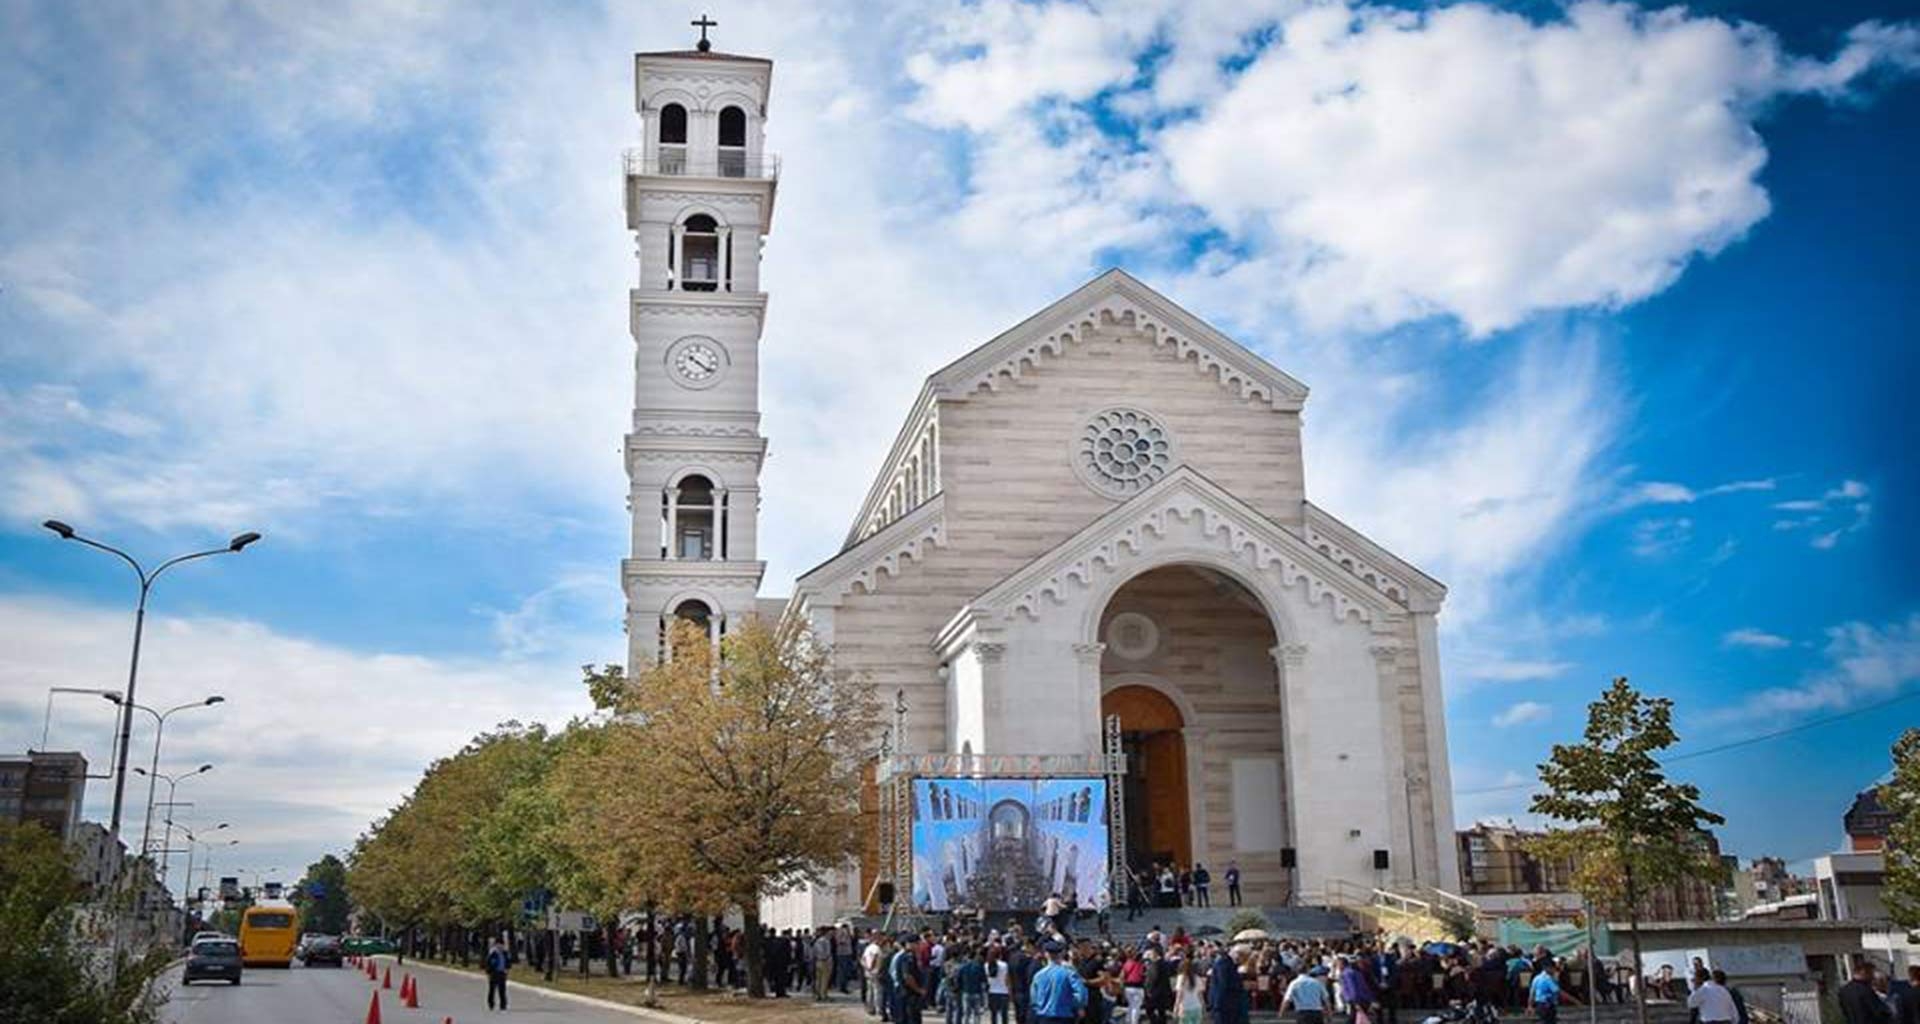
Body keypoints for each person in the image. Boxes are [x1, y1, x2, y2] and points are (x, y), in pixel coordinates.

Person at [1030, 942, 1089, 1024]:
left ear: (1046, 954)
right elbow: (1081, 994)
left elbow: (1034, 999)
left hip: (1044, 1016)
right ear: (1060, 954)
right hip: (1064, 1016)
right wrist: (1074, 1005)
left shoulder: (1038, 976)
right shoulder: (1069, 973)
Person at [1173, 953, 1208, 1024]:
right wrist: (1204, 1009)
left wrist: (1175, 1009)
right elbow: (1200, 996)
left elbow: (1179, 996)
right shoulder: (1197, 978)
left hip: (1185, 1008)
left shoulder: (1181, 979)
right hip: (1197, 1007)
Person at [986, 945, 1012, 1024]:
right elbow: (1007, 980)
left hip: (992, 992)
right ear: (1000, 955)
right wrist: (1010, 991)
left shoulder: (986, 965)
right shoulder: (1004, 965)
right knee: (1004, 1015)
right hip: (1003, 992)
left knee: (993, 1015)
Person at [485, 936, 511, 1011]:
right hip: (494, 973)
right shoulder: (493, 953)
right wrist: (488, 973)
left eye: (501, 944)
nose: (500, 946)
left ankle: (503, 1005)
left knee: (502, 990)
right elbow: (488, 964)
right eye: (498, 944)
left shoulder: (505, 953)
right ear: (496, 945)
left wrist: (507, 969)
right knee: (492, 990)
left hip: (502, 973)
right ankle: (491, 1004)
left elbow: (508, 963)